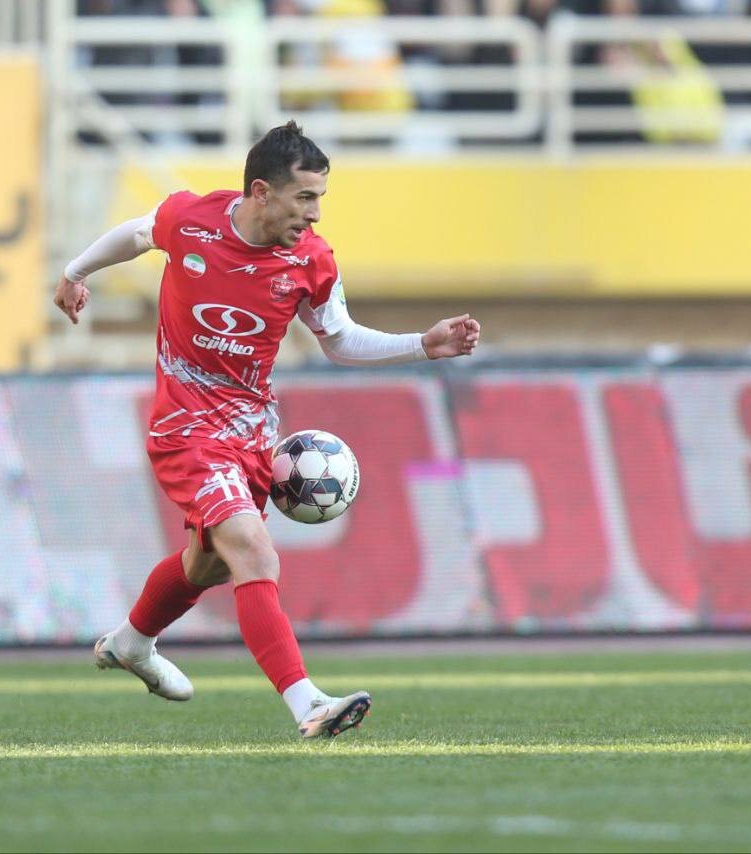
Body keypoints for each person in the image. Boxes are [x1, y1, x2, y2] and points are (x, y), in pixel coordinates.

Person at [52, 121, 481, 738]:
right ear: (261, 192)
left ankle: (132, 642)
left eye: (320, 199)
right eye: (304, 197)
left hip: (250, 433)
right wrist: (76, 271)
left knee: (208, 565)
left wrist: (423, 344)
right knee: (253, 551)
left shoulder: (311, 260)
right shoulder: (191, 220)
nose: (315, 213)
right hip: (185, 427)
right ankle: (308, 704)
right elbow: (138, 234)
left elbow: (339, 339)